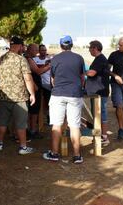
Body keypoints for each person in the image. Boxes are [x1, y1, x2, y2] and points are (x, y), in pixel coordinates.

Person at [43, 35, 85, 164]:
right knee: (74, 125)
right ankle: (77, 155)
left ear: (61, 45)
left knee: (56, 124)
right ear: (71, 45)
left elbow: (53, 79)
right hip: (74, 94)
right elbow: (82, 77)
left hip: (58, 94)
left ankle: (54, 154)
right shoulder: (79, 58)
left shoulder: (55, 59)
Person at [0, 36, 36, 155]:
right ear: (19, 46)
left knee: (2, 121)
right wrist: (32, 93)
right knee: (21, 123)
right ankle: (23, 147)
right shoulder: (21, 60)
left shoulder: (1, 59)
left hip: (4, 96)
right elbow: (28, 79)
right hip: (19, 97)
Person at [86, 40, 110, 145]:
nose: (89, 50)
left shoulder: (100, 59)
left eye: (90, 48)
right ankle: (98, 136)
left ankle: (103, 137)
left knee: (100, 115)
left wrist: (80, 72)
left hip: (99, 92)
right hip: (97, 91)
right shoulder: (99, 59)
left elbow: (91, 73)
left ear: (95, 48)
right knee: (97, 116)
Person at [26, 44, 51, 139]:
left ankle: (31, 130)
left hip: (34, 87)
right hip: (33, 88)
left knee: (33, 110)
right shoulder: (29, 59)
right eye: (36, 50)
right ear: (30, 49)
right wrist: (49, 66)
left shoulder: (29, 58)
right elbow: (38, 71)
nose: (37, 52)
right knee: (34, 110)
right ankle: (32, 131)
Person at [33, 44, 52, 123]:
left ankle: (49, 117)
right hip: (38, 85)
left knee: (49, 103)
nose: (44, 52)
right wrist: (45, 66)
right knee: (37, 103)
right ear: (39, 51)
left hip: (47, 85)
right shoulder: (34, 60)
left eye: (45, 50)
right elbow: (36, 71)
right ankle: (37, 118)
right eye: (42, 50)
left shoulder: (50, 60)